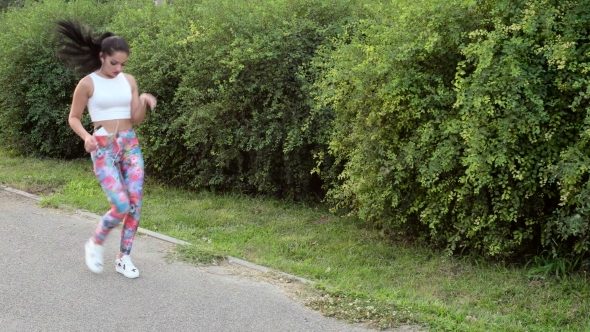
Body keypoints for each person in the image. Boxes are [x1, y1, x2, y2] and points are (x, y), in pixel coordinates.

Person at [56, 20, 156, 279]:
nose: (119, 69)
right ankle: (96, 241)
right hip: (103, 148)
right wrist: (85, 137)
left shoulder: (129, 81)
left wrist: (143, 101)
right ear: (102, 57)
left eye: (123, 64)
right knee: (120, 205)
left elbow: (136, 118)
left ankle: (124, 258)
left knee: (135, 204)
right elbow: (74, 117)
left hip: (129, 144)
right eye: (114, 63)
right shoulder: (88, 84)